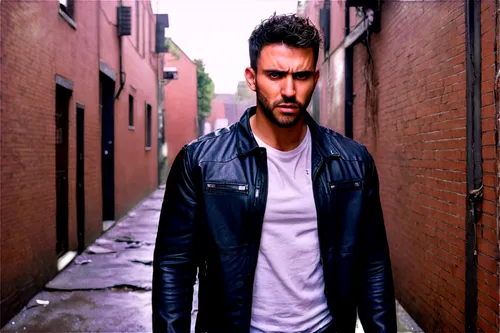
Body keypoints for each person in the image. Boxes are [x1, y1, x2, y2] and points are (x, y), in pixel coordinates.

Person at [152, 13, 396, 333]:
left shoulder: (353, 163)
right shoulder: (200, 163)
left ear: (316, 78)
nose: (289, 90)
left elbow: (372, 265)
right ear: (252, 78)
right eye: (275, 75)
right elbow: (174, 267)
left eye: (302, 76)